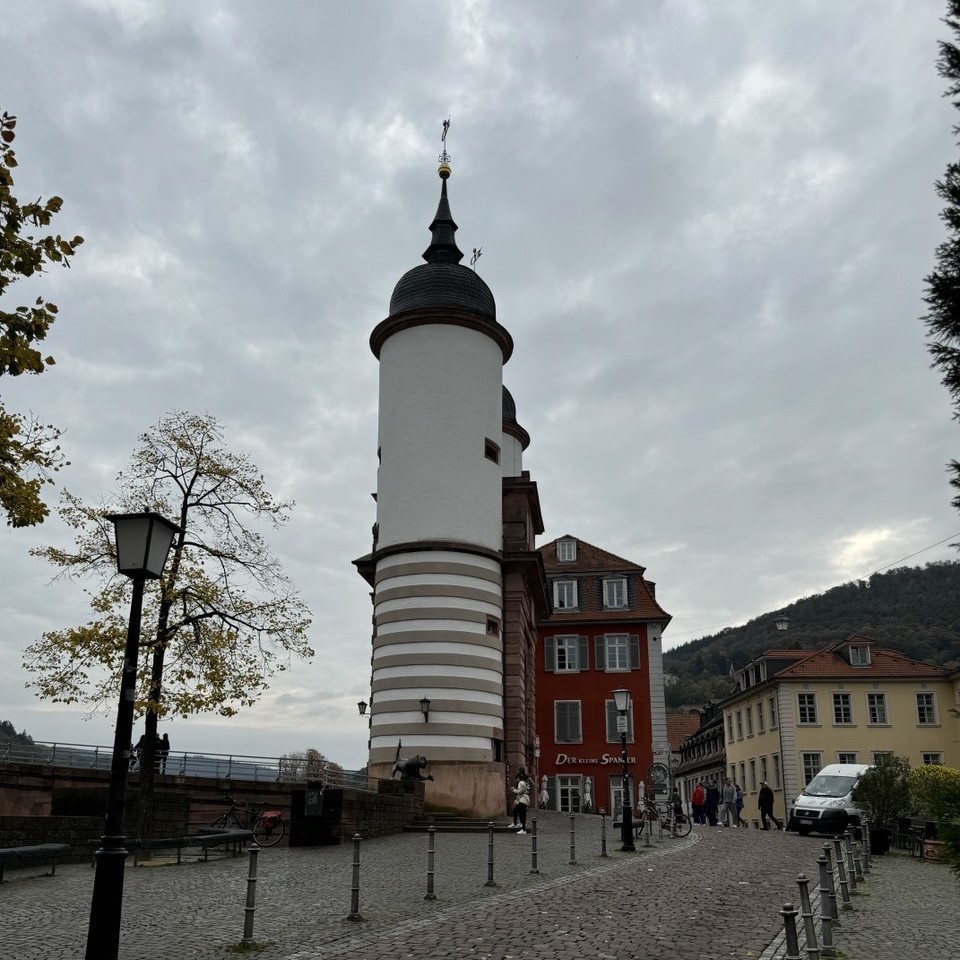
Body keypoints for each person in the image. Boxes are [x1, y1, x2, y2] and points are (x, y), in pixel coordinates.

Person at [511, 769, 532, 834]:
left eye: (516, 778)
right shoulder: (523, 782)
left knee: (522, 814)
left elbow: (520, 791)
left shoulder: (521, 783)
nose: (516, 780)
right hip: (523, 799)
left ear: (519, 778)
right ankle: (521, 826)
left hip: (523, 800)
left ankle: (523, 829)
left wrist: (513, 790)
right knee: (519, 812)